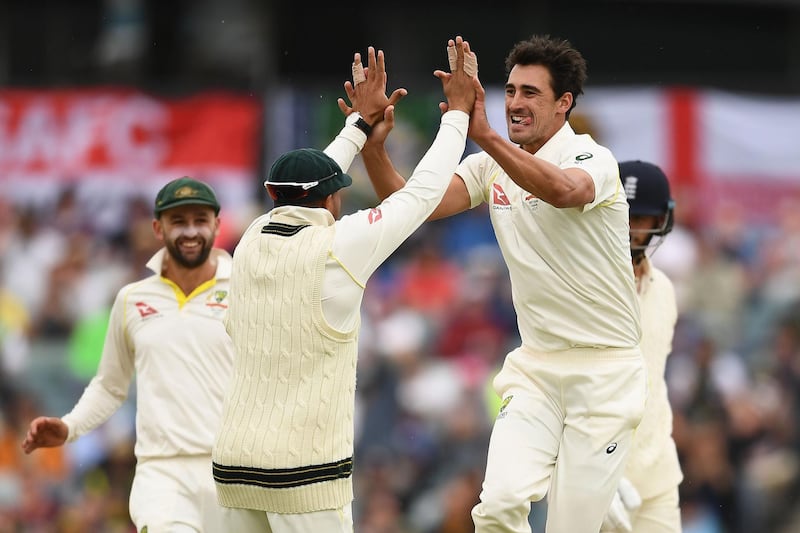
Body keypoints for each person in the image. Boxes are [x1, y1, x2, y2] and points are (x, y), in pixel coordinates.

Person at [360, 34, 647, 532]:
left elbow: (562, 191)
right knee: (495, 509)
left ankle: (610, 511)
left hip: (605, 373)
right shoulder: (492, 163)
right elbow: (412, 205)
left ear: (564, 104)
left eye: (531, 93)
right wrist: (373, 145)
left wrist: (485, 134)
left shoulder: (590, 159)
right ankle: (608, 506)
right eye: (510, 91)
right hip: (536, 369)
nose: (515, 102)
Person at [210, 37, 478, 532]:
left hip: (233, 466)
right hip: (304, 477)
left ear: (275, 197)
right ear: (333, 201)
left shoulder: (249, 239)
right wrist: (457, 115)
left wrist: (358, 124)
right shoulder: (339, 247)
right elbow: (420, 196)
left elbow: (309, 181)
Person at [20, 176, 268, 531]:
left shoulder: (248, 290)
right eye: (178, 221)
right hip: (160, 473)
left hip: (232, 471)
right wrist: (70, 426)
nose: (190, 231)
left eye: (200, 219)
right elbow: (109, 386)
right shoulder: (132, 300)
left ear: (216, 224)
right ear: (157, 227)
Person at [601, 160, 683, 533]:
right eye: (624, 213)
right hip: (592, 474)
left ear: (660, 221)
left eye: (643, 217)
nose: (632, 227)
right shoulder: (578, 282)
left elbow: (652, 383)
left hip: (657, 476)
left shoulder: (664, 289)